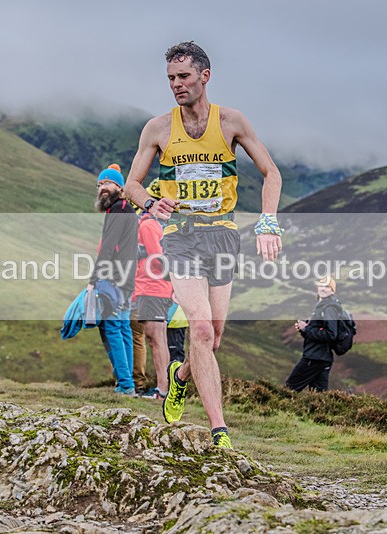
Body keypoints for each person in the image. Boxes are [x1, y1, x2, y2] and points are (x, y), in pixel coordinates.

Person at [125, 41, 284, 449]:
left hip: (223, 234)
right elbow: (131, 184)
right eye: (171, 79)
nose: (176, 85)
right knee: (197, 326)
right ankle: (220, 432)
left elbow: (271, 174)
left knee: (212, 337)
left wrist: (268, 223)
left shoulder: (231, 122)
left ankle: (180, 376)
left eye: (183, 77)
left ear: (205, 76)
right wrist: (150, 201)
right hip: (180, 236)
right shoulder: (158, 129)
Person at [89, 164, 138, 396]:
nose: (102, 188)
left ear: (120, 187)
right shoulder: (125, 209)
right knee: (123, 328)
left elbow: (109, 247)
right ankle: (127, 382)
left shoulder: (118, 210)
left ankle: (125, 384)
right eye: (99, 184)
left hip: (115, 278)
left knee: (112, 328)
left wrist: (94, 279)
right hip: (127, 277)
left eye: (107, 183)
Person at [133, 178, 174, 399]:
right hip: (153, 287)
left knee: (156, 338)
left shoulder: (148, 224)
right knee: (156, 338)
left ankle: (163, 390)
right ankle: (163, 388)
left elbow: (157, 257)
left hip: (153, 287)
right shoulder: (154, 223)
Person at [285, 276, 340, 392]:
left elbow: (331, 334)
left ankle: (274, 409)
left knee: (290, 388)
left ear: (332, 291)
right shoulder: (322, 306)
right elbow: (319, 333)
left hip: (314, 358)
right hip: (321, 358)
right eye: (321, 285)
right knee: (318, 396)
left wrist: (306, 329)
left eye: (327, 286)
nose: (323, 289)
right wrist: (303, 329)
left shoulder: (329, 308)